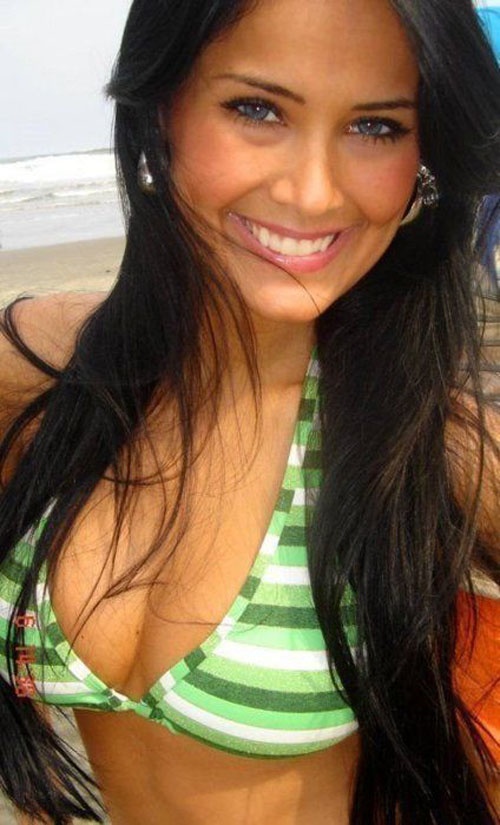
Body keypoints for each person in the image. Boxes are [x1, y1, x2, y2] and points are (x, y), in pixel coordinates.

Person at [0, 0, 499, 823]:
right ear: (162, 110)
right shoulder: (42, 367)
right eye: (258, 109)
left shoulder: (428, 444)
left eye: (376, 126)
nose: (312, 190)